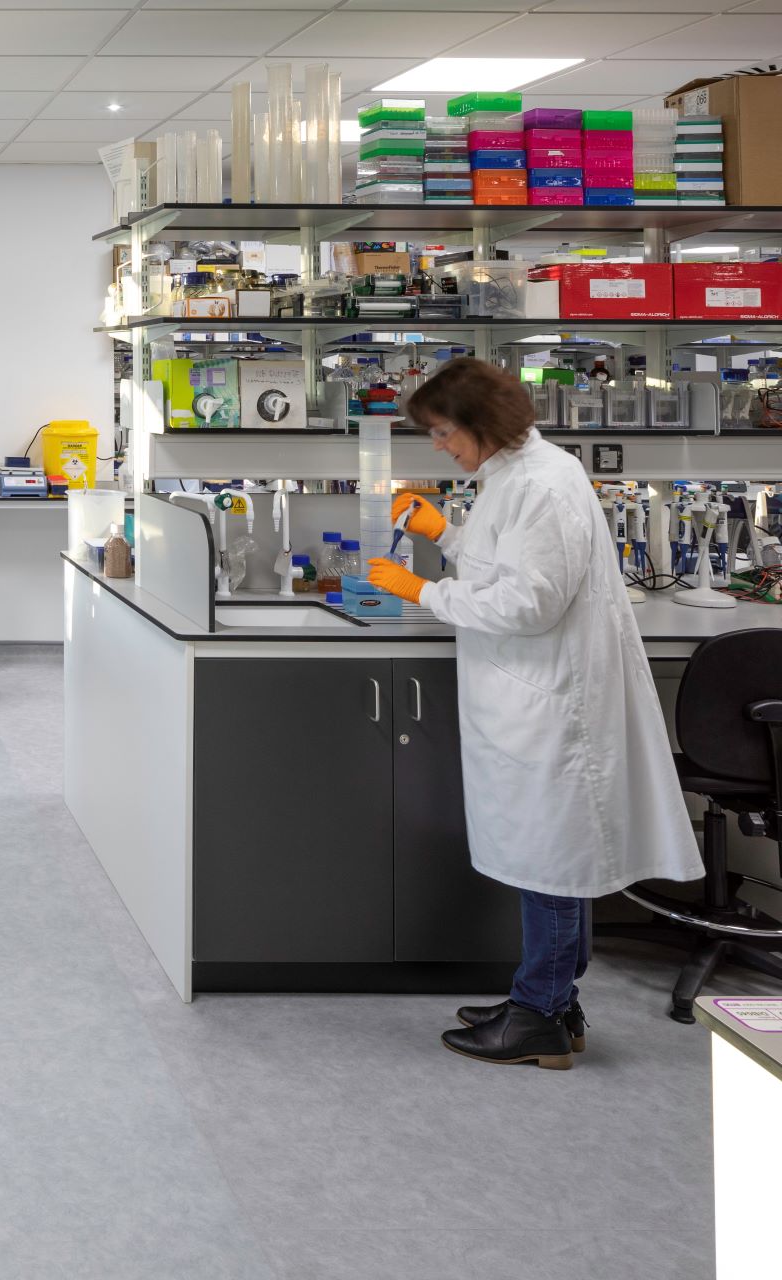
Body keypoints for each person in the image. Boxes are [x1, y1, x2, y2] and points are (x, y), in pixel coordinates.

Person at [365, 357, 701, 1070]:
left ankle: (540, 1012)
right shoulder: (517, 475)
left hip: (548, 702)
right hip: (525, 694)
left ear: (482, 426)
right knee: (551, 859)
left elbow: (528, 602)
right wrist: (448, 536)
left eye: (444, 431)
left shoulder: (544, 485)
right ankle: (549, 999)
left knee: (551, 861)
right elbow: (505, 564)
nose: (439, 446)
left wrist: (422, 592)